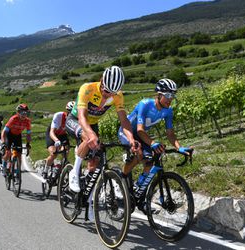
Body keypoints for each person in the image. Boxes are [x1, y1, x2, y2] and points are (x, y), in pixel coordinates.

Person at [66, 65, 139, 220]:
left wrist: (131, 139)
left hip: (93, 124)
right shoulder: (87, 89)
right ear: (101, 81)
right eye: (106, 92)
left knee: (96, 164)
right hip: (76, 121)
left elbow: (124, 120)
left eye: (111, 94)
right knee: (87, 137)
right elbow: (82, 117)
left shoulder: (117, 96)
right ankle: (74, 171)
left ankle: (89, 201)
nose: (107, 97)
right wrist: (90, 134)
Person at [118, 78, 192, 195]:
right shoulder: (145, 104)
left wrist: (179, 147)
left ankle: (138, 186)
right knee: (139, 154)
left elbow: (170, 133)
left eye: (172, 95)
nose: (170, 99)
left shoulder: (168, 111)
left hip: (141, 134)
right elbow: (140, 129)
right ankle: (121, 181)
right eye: (167, 95)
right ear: (159, 94)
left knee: (150, 160)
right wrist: (152, 143)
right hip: (127, 132)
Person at [43, 101, 75, 179]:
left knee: (65, 152)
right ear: (67, 111)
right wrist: (56, 140)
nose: (73, 115)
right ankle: (46, 170)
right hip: (52, 134)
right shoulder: (59, 116)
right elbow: (52, 132)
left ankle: (60, 169)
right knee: (54, 154)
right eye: (71, 113)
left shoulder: (76, 119)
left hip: (62, 135)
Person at [1, 104, 32, 176]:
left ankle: (18, 172)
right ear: (18, 112)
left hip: (17, 136)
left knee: (19, 155)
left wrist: (28, 144)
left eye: (25, 113)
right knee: (8, 152)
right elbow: (4, 132)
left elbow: (28, 134)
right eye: (22, 113)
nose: (24, 115)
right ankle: (4, 166)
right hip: (9, 135)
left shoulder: (27, 121)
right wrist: (3, 142)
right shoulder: (13, 119)